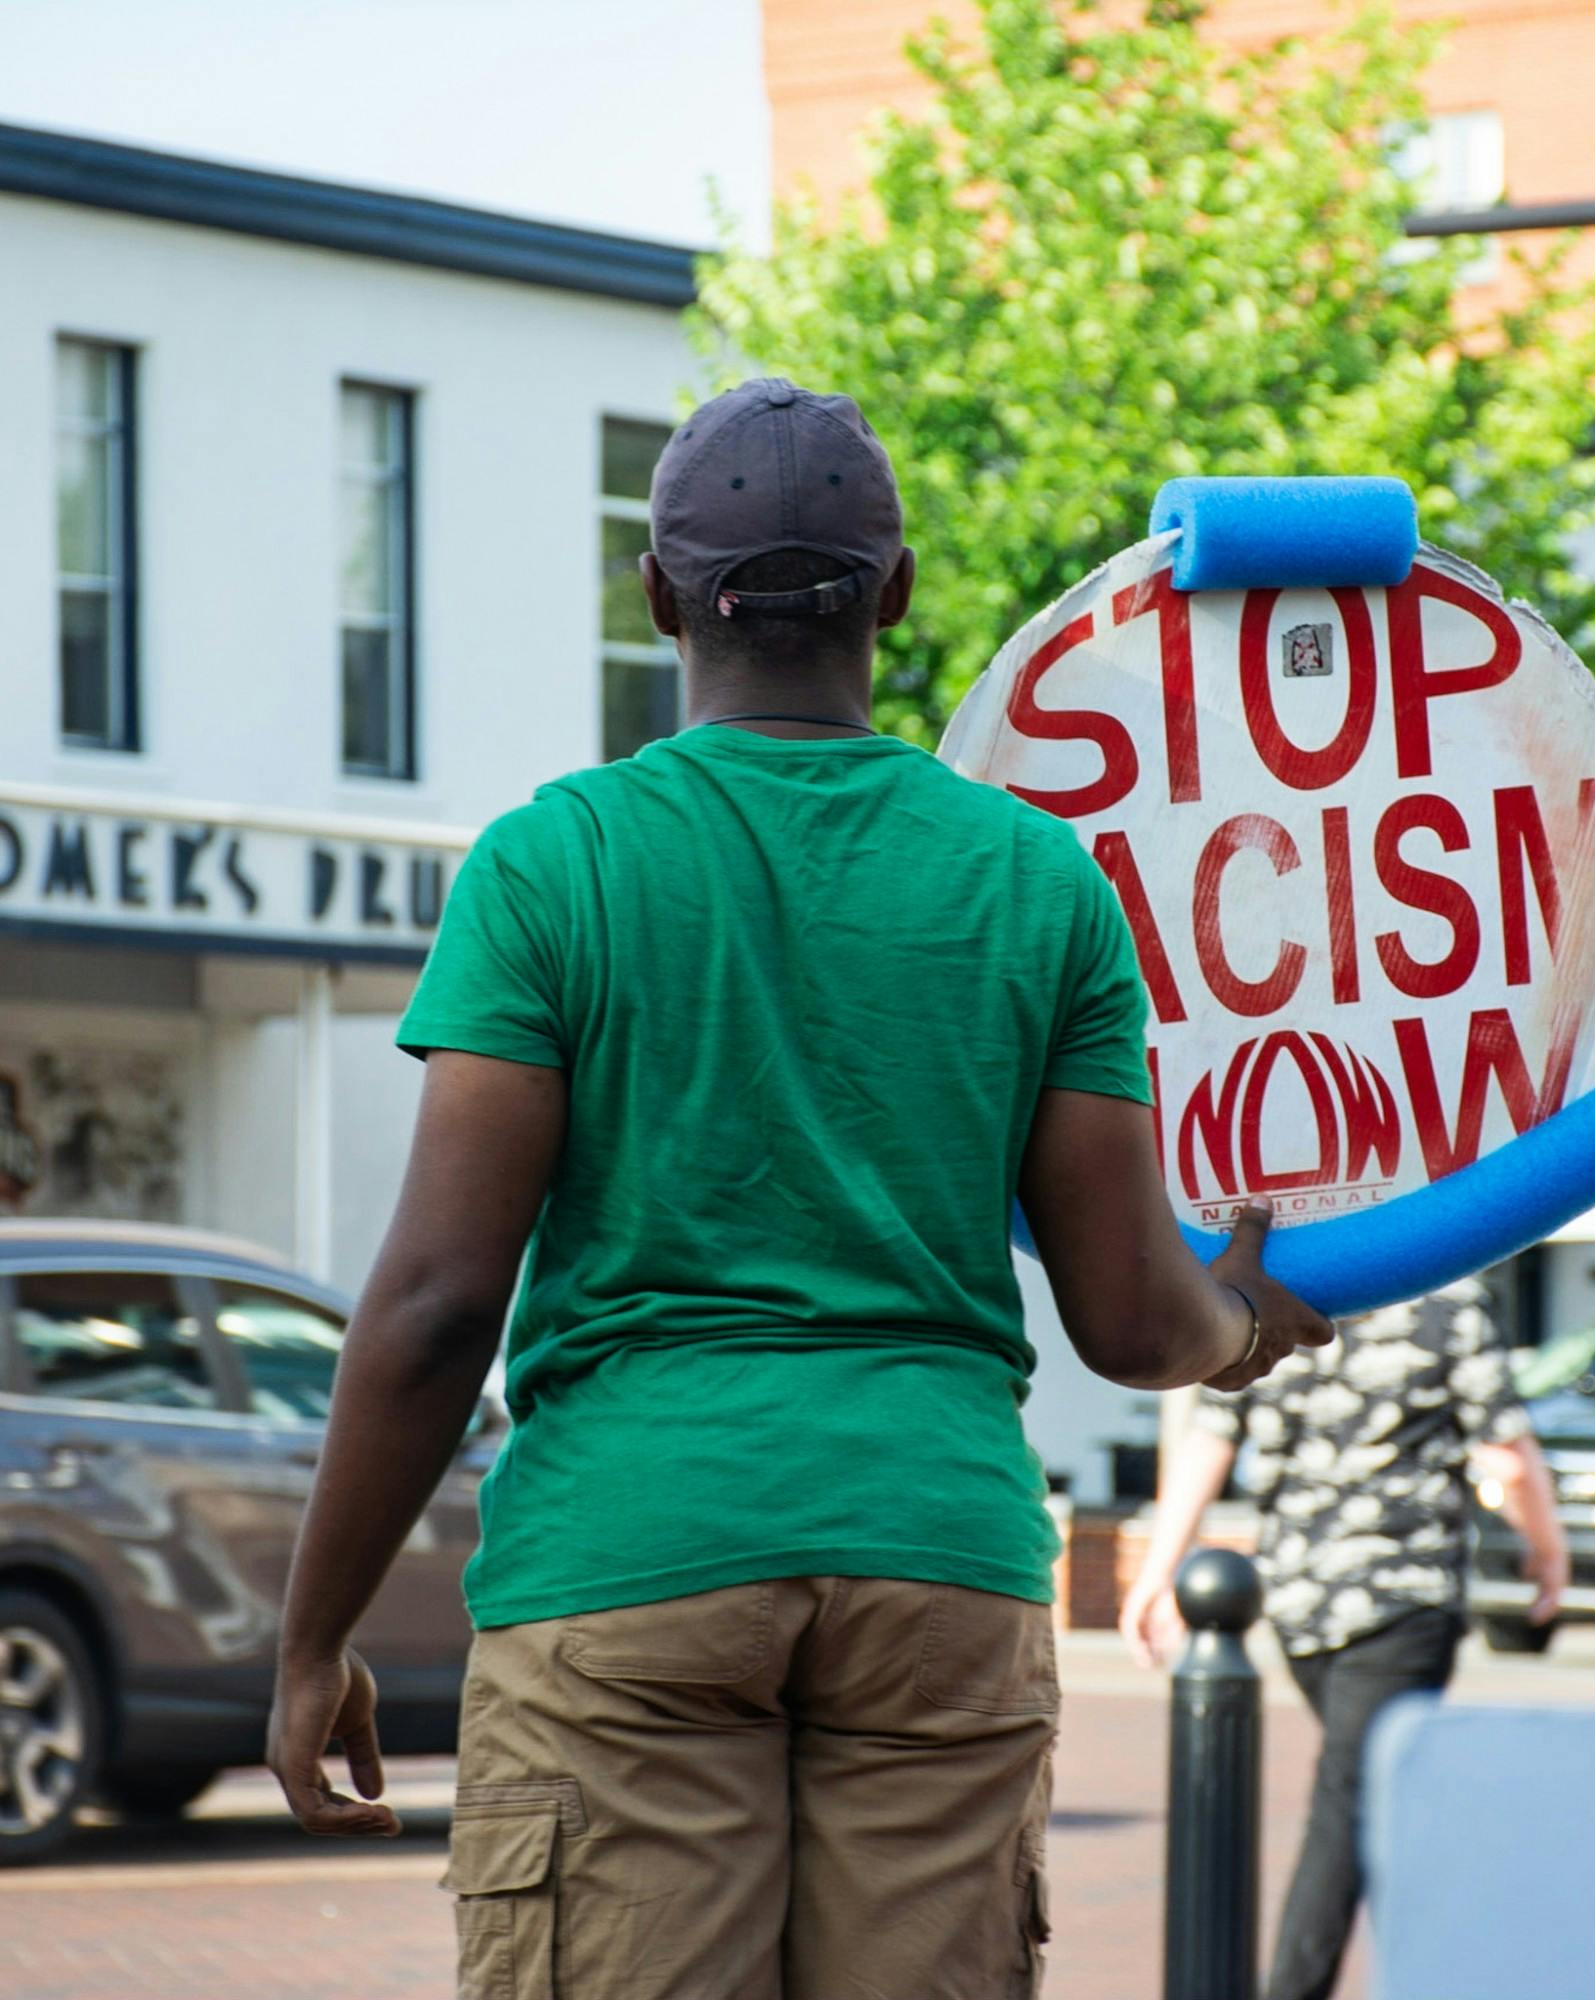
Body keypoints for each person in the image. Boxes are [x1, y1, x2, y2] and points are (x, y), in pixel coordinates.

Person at [264, 377, 1333, 1999]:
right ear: (894, 596)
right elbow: (1131, 1319)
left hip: (631, 1562)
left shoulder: (557, 863)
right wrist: (1242, 1321)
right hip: (938, 1564)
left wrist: (311, 1637)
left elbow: (432, 1309)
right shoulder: (1038, 882)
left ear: (656, 600)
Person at [1120, 1279, 1566, 2000]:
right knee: (1355, 1800)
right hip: (1403, 1597)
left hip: (1299, 1600)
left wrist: (1158, 1568)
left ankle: (1444, 1968)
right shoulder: (1447, 1300)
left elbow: (1211, 1435)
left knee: (1383, 1795)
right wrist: (1547, 1550)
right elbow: (1507, 1454)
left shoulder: (1275, 1295)